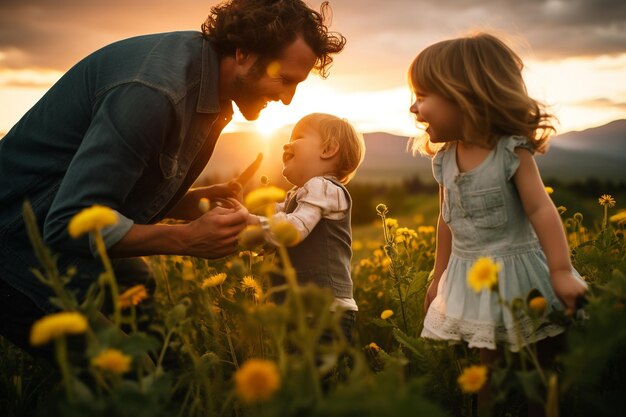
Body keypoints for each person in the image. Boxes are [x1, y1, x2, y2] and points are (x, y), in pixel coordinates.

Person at [0, 0, 346, 357]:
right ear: (243, 54)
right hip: (14, 240)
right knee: (127, 373)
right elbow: (68, 222)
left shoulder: (207, 82)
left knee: (140, 289)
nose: (287, 100)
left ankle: (166, 378)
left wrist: (189, 203)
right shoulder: (156, 93)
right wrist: (186, 240)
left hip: (49, 221)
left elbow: (112, 183)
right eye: (284, 79)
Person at [408, 33, 588, 413]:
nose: (413, 108)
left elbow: (542, 210)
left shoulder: (511, 153)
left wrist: (561, 271)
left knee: (536, 363)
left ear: (465, 95)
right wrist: (437, 276)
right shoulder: (444, 160)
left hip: (517, 270)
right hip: (470, 276)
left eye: (423, 96)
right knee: (486, 367)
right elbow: (447, 221)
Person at [248, 113, 365, 343]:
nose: (286, 144)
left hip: (324, 310)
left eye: (298, 136)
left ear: (328, 149)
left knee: (313, 376)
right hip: (303, 308)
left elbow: (294, 229)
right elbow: (281, 222)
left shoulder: (323, 187)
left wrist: (253, 225)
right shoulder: (301, 194)